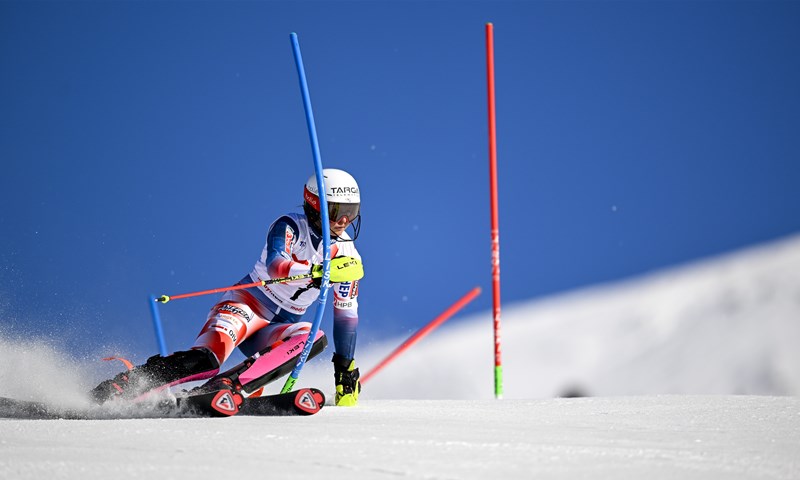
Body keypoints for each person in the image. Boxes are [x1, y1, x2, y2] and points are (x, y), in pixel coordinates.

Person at [91, 168, 365, 406]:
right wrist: (317, 272)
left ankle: (227, 386)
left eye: (351, 213)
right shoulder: (290, 225)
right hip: (247, 304)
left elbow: (346, 315)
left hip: (276, 327)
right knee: (207, 360)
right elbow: (276, 265)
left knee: (312, 338)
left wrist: (345, 366)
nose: (344, 221)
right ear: (314, 205)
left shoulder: (349, 258)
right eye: (336, 211)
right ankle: (127, 385)